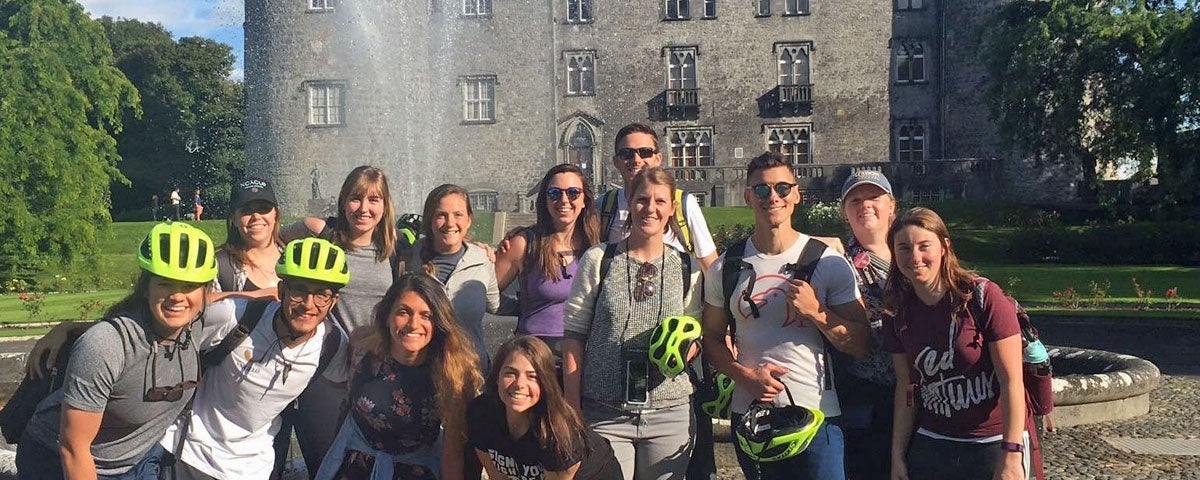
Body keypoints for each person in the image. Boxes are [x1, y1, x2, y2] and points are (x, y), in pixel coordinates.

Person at [16, 223, 235, 480]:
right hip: (58, 461)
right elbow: (73, 448)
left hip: (135, 460)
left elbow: (237, 299)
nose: (177, 296)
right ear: (145, 287)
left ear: (205, 292)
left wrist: (280, 293)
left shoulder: (195, 322)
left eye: (189, 286)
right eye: (165, 284)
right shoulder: (106, 345)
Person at [700, 152, 871, 480]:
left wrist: (817, 312)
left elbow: (862, 343)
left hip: (817, 415)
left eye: (781, 188)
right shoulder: (727, 267)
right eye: (762, 190)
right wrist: (745, 377)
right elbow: (711, 338)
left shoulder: (827, 262)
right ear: (748, 196)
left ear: (796, 194)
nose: (772, 197)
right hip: (752, 417)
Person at [158, 238, 351, 480]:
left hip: (254, 468)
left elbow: (358, 386)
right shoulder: (235, 316)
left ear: (334, 301)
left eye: (321, 295)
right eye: (299, 290)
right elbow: (168, 333)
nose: (308, 305)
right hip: (192, 454)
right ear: (281, 291)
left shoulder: (332, 345)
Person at [562, 167, 703, 480]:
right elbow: (573, 336)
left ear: (671, 209)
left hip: (669, 412)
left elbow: (695, 331)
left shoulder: (687, 267)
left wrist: (685, 350)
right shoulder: (599, 260)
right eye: (642, 200)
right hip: (605, 410)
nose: (650, 208)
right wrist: (572, 406)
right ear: (630, 201)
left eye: (659, 201)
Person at [597, 123, 720, 480]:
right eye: (627, 153)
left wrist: (711, 334)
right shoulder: (605, 207)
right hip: (617, 360)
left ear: (658, 157)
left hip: (677, 346)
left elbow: (711, 269)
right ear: (616, 161)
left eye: (644, 152)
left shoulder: (682, 203)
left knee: (691, 449)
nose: (636, 159)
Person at [883, 207, 1027, 480]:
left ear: (944, 247)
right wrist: (897, 456)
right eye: (903, 248)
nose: (914, 257)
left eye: (924, 246)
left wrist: (1011, 454)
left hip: (991, 439)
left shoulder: (983, 297)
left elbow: (1012, 383)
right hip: (935, 439)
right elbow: (907, 388)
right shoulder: (897, 310)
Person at [282, 165, 400, 475]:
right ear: (343, 202)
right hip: (326, 369)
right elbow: (274, 240)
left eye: (374, 200)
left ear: (385, 205)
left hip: (378, 371)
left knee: (370, 463)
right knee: (324, 460)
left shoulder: (397, 249)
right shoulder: (323, 235)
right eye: (355, 198)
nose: (364, 208)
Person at [315, 273, 482, 480]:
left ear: (439, 321)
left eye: (426, 315)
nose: (413, 324)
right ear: (387, 315)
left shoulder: (453, 374)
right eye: (404, 312)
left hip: (415, 471)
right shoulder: (362, 347)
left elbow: (452, 455)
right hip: (354, 465)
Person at [468, 335, 621, 480]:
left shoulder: (559, 432)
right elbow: (497, 476)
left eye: (532, 376)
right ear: (496, 377)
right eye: (510, 373)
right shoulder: (480, 413)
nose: (520, 384)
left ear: (545, 383)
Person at [494, 164, 601, 367]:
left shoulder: (596, 245)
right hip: (535, 356)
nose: (563, 200)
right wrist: (519, 307)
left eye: (573, 193)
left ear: (585, 200)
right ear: (545, 199)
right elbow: (486, 293)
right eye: (554, 193)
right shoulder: (524, 244)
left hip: (585, 354)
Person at [836, 170, 899, 480]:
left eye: (874, 197)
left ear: (891, 205)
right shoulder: (836, 262)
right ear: (845, 213)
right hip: (868, 398)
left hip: (923, 392)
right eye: (855, 200)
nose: (865, 205)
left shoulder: (915, 254)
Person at [398, 184, 500, 373]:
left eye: (458, 215)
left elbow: (495, 304)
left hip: (471, 371)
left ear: (469, 219)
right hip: (419, 372)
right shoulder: (409, 258)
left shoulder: (483, 260)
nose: (450, 223)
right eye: (441, 215)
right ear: (430, 221)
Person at [213, 177, 284, 299]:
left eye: (263, 209)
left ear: (276, 214)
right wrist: (254, 296)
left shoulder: (297, 258)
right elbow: (197, 303)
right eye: (246, 211)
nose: (256, 216)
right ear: (234, 218)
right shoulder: (219, 265)